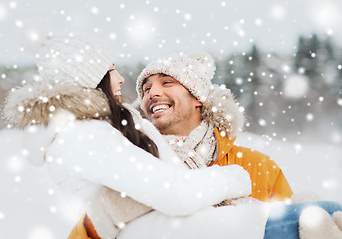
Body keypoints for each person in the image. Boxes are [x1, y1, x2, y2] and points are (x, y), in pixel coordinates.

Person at [3, 31, 264, 239]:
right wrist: (234, 178)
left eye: (167, 83)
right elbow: (177, 195)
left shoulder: (105, 128)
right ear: (91, 78)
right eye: (111, 70)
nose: (119, 79)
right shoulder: (85, 137)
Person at [134, 51, 342, 238]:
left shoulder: (257, 165)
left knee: (325, 213)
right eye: (146, 89)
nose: (152, 93)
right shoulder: (139, 164)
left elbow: (282, 227)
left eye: (167, 82)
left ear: (198, 98)